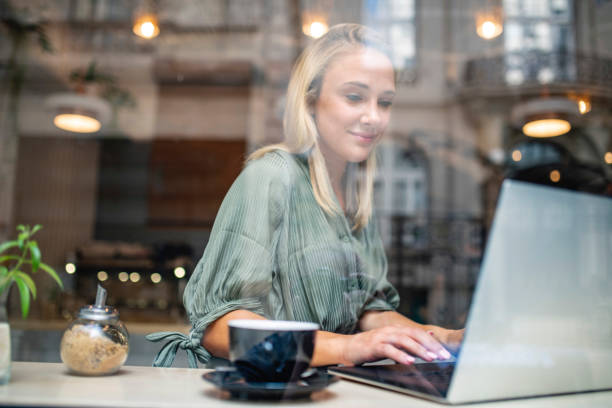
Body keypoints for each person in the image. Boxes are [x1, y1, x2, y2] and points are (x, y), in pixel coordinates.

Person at [147, 23, 463, 369]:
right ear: (311, 101)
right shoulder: (271, 177)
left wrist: (446, 338)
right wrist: (347, 348)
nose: (373, 117)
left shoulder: (357, 200)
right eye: (355, 97)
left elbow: (370, 313)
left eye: (384, 102)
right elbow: (219, 328)